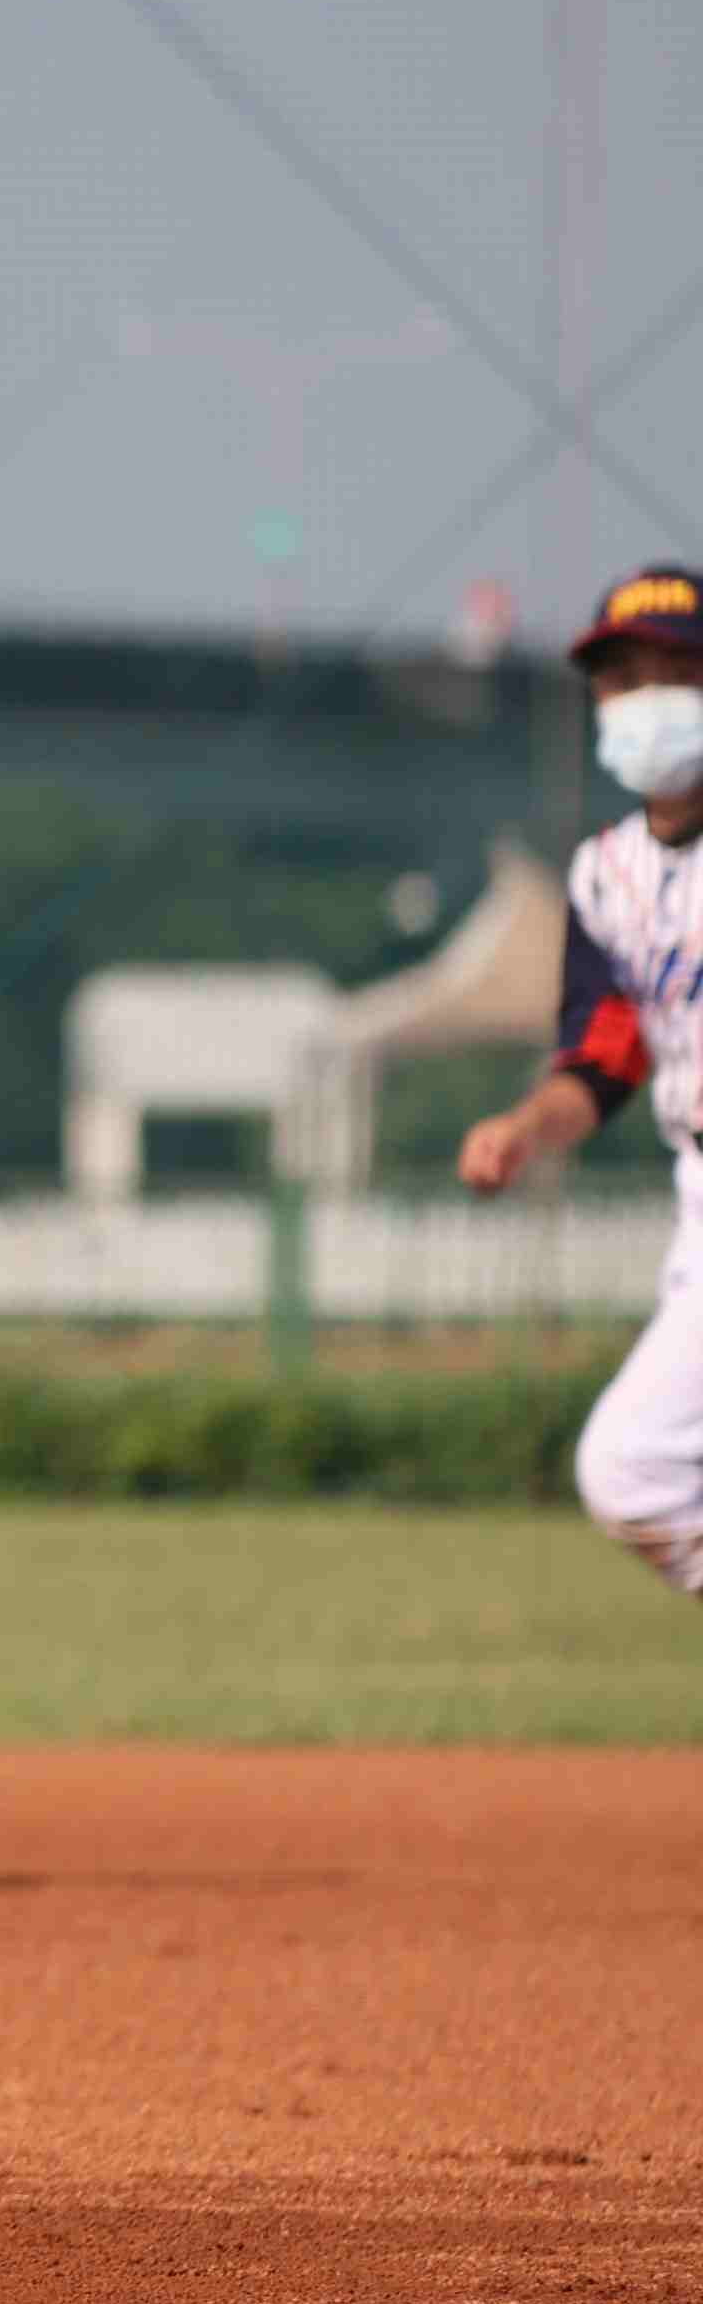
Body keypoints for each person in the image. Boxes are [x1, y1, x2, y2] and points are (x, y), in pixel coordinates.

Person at [460, 564, 703, 1592]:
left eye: (674, 671)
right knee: (631, 1470)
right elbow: (602, 1061)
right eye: (620, 678)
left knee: (630, 1465)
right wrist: (526, 1127)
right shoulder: (608, 876)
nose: (645, 697)